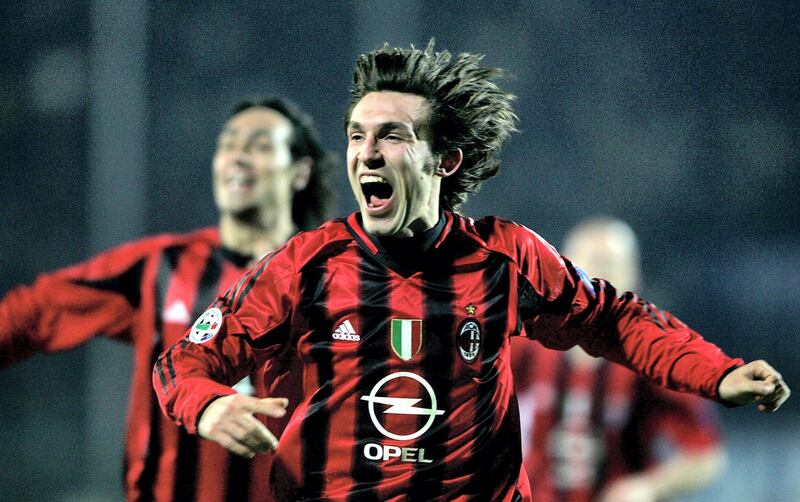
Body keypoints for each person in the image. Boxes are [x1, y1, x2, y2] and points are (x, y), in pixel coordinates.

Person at [153, 42, 790, 502]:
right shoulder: (305, 265)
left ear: (444, 160)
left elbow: (615, 319)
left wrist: (720, 373)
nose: (366, 153)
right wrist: (207, 406)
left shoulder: (504, 258)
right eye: (355, 135)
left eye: (392, 136)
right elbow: (185, 361)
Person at [0, 96, 335, 501]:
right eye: (228, 144)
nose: (238, 156)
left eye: (261, 145)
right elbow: (35, 311)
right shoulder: (160, 268)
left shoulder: (331, 278)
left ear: (300, 172)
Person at [511, 216, 726, 502]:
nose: (595, 280)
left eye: (608, 266)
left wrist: (649, 487)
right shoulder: (527, 342)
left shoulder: (654, 357)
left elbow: (706, 456)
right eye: (585, 266)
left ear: (632, 278)